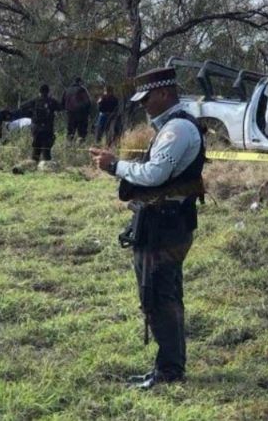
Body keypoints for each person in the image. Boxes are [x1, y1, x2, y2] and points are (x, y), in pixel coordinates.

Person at [89, 67, 206, 390]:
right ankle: (168, 367)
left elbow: (155, 174)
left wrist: (115, 166)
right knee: (163, 296)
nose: (144, 104)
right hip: (161, 223)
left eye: (148, 98)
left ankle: (169, 372)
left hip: (166, 227)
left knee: (158, 297)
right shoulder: (172, 126)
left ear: (165, 94)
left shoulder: (177, 129)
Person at [19, 84, 63, 161]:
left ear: (39, 92)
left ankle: (33, 165)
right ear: (48, 92)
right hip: (48, 129)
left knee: (36, 149)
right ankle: (46, 167)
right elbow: (61, 107)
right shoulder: (52, 101)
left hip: (36, 129)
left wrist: (30, 113)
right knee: (46, 150)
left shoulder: (35, 100)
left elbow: (22, 106)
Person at [62, 77, 92, 143]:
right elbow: (88, 102)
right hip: (81, 114)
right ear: (80, 82)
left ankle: (69, 145)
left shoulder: (67, 90)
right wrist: (88, 112)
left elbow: (62, 103)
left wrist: (67, 109)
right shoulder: (82, 90)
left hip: (70, 114)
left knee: (70, 131)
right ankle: (80, 146)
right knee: (81, 132)